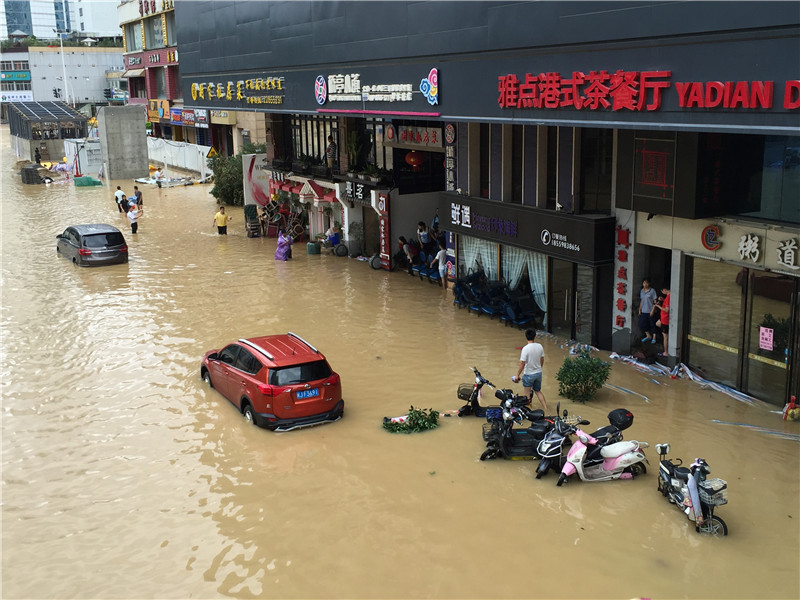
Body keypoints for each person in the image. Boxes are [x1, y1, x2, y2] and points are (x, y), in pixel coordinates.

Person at [511, 329, 547, 412]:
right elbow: (542, 359)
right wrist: (539, 368)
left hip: (528, 375)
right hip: (538, 373)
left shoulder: (525, 349)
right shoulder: (540, 346)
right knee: (538, 391)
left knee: (527, 394)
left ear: (526, 337)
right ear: (534, 336)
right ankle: (545, 408)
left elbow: (522, 363)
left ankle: (529, 411)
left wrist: (517, 375)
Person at [638, 278, 658, 344]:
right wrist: (639, 309)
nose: (645, 284)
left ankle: (654, 337)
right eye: (644, 283)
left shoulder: (652, 291)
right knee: (642, 324)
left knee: (652, 324)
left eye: (646, 283)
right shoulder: (641, 291)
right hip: (644, 311)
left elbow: (655, 301)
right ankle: (648, 335)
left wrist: (653, 310)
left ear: (649, 283)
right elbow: (641, 301)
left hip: (650, 311)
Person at [655, 285, 671, 356]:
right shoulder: (668, 297)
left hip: (665, 319)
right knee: (657, 323)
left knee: (665, 336)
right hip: (663, 319)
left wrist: (658, 306)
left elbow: (667, 310)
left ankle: (666, 352)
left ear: (665, 290)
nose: (662, 292)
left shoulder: (668, 297)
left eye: (662, 291)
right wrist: (663, 300)